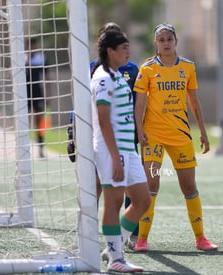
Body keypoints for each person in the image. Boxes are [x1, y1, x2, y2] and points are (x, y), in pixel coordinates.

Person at [133, 23, 218, 252]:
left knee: (189, 186)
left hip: (180, 135)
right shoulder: (147, 68)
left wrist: (203, 132)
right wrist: (139, 129)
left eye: (169, 38)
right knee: (151, 184)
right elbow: (140, 103)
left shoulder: (188, 67)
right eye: (161, 39)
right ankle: (142, 239)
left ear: (176, 41)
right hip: (153, 136)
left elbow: (194, 102)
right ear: (155, 43)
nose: (166, 43)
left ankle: (201, 238)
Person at [66, 22, 140, 249]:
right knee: (99, 189)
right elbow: (81, 103)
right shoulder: (96, 72)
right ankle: (90, 235)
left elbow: (137, 104)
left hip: (127, 140)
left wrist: (139, 130)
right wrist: (73, 131)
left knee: (135, 193)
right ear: (107, 46)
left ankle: (128, 236)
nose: (125, 50)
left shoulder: (131, 70)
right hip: (102, 142)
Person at [90, 30, 151, 272]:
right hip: (110, 151)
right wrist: (115, 158)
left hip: (129, 149)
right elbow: (104, 122)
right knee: (113, 203)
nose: (128, 51)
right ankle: (116, 258)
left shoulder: (118, 75)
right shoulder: (102, 77)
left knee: (143, 200)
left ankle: (113, 246)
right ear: (110, 51)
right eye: (123, 47)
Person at [26, 37, 50, 158]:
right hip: (24, 95)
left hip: (38, 93)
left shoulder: (41, 58)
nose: (31, 48)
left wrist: (48, 95)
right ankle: (23, 150)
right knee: (24, 122)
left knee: (39, 121)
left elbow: (47, 77)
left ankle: (41, 149)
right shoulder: (20, 58)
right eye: (29, 45)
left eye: (33, 45)